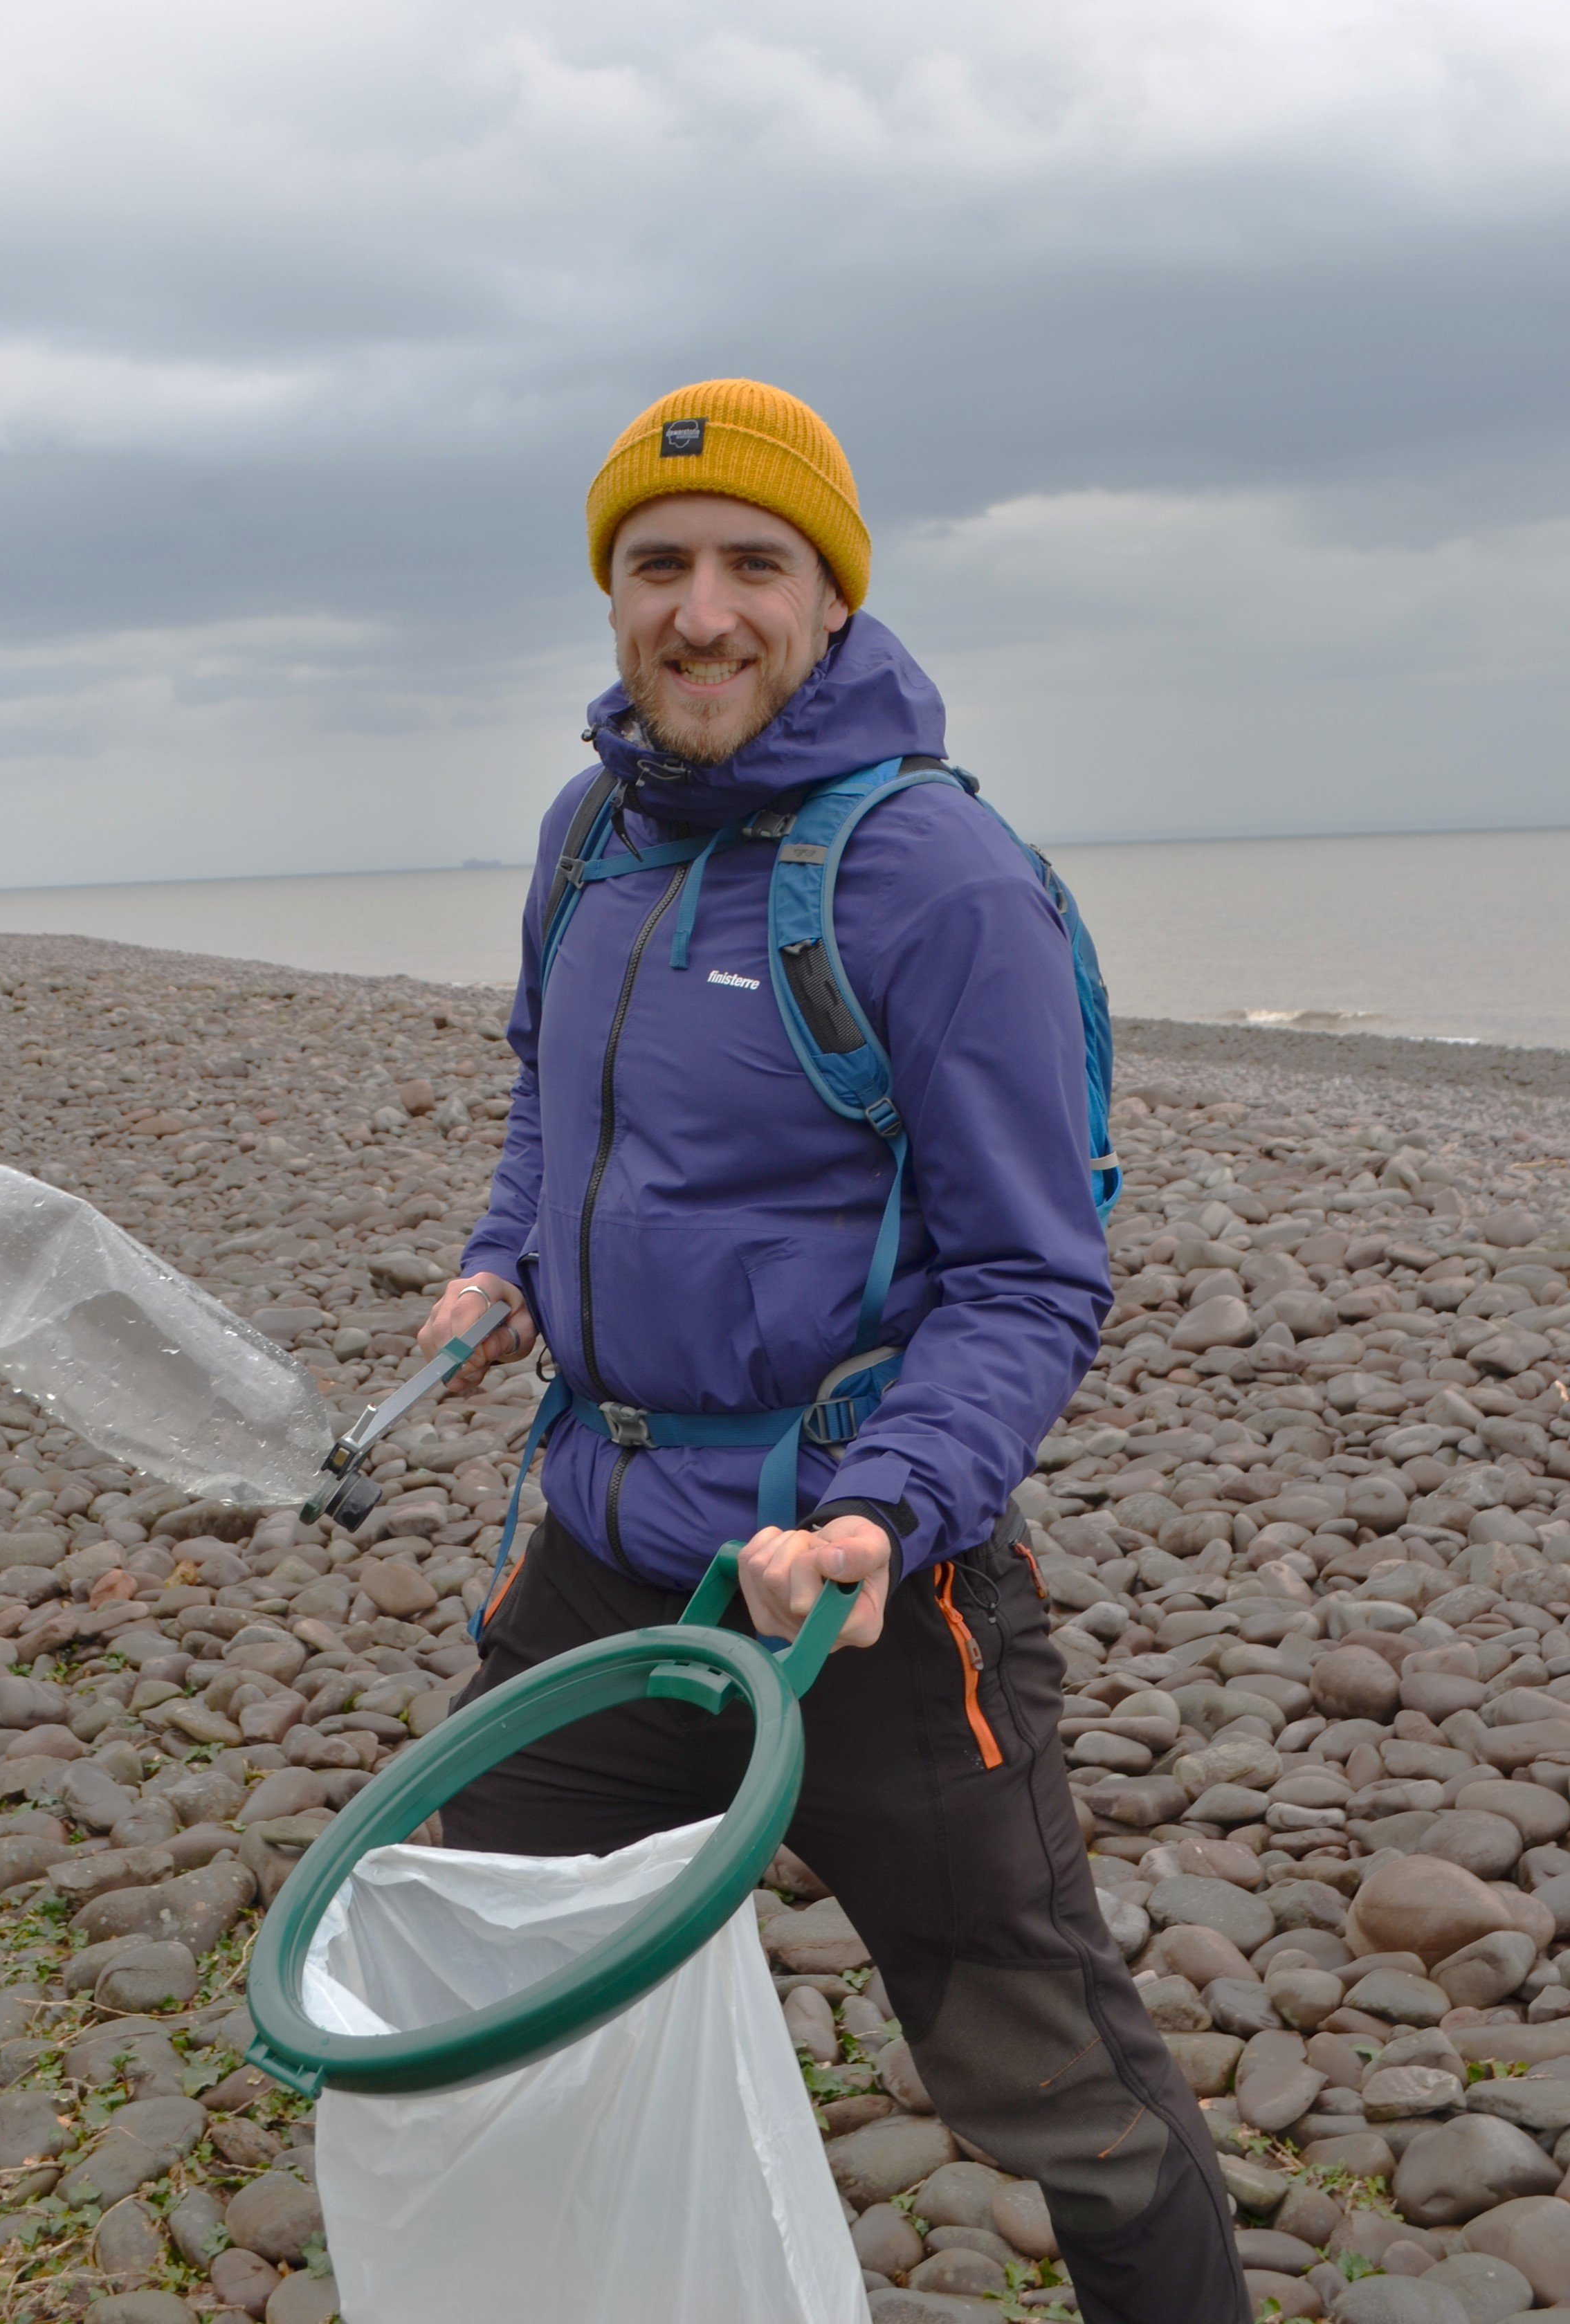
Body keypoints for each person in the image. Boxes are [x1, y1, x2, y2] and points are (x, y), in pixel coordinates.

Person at [417, 379, 1247, 2324]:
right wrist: (497, 1259)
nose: (702, 611)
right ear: (613, 594)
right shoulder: (590, 833)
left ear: (834, 597)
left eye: (753, 566)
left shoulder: (939, 879)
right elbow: (552, 1097)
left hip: (865, 1596)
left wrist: (883, 1513)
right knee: (482, 1961)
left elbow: (1031, 1276)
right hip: (604, 1551)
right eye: (658, 566)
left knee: (1059, 2088)